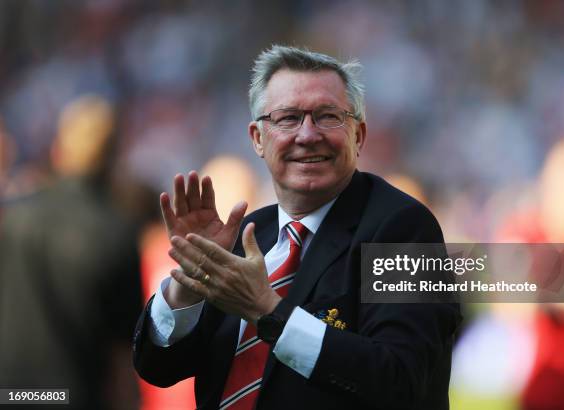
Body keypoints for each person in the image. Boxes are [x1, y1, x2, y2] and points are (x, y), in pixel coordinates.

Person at [133, 45, 461, 410]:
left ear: (358, 135)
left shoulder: (404, 227)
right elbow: (158, 368)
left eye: (327, 116)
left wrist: (268, 311)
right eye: (288, 118)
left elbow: (401, 379)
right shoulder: (248, 234)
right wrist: (188, 286)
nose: (307, 135)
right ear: (258, 138)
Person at [0, 95, 143, 409]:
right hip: (77, 397)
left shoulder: (14, 219)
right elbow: (124, 352)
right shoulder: (116, 232)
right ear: (114, 158)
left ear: (58, 151)